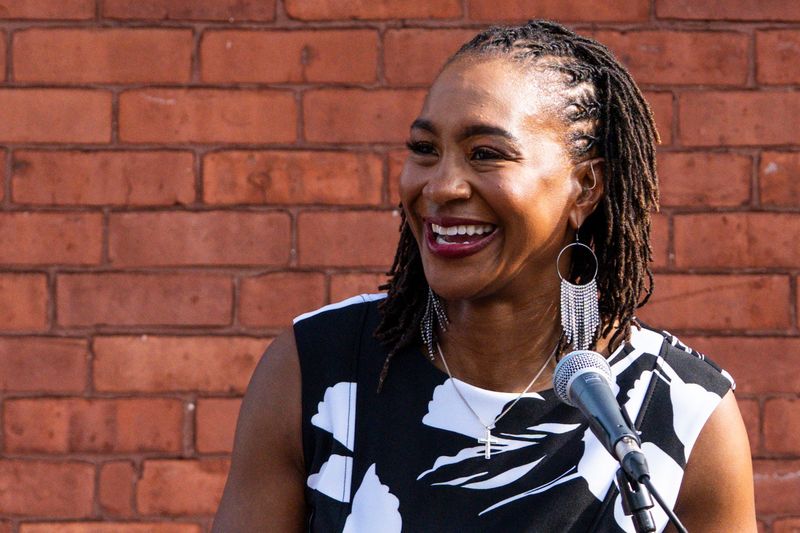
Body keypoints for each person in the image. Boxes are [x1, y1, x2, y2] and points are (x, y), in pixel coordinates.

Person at [212, 21, 756, 532]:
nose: (442, 185)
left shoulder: (680, 410)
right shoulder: (318, 372)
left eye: (486, 154)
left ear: (586, 187)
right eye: (425, 150)